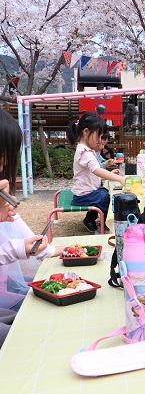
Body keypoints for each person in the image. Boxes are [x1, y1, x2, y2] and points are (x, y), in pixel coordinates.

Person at [0, 109, 64, 314]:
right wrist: (19, 249)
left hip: (5, 283)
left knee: (50, 295)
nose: (4, 164)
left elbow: (15, 220)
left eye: (6, 156)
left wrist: (47, 250)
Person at [67, 112, 126, 233]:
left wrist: (110, 176)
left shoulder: (86, 150)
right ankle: (104, 227)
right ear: (86, 132)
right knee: (104, 197)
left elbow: (92, 174)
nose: (100, 141)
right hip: (83, 195)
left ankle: (91, 219)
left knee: (103, 193)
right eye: (98, 136)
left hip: (86, 191)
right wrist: (119, 179)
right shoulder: (85, 152)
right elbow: (97, 170)